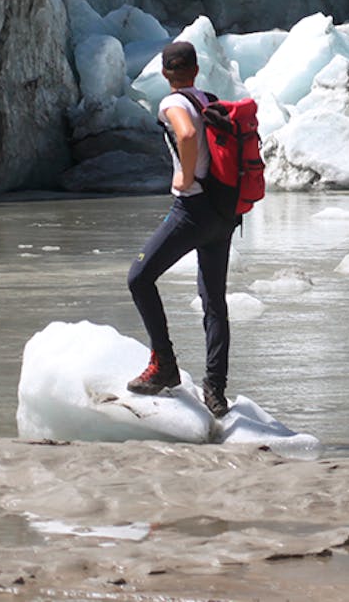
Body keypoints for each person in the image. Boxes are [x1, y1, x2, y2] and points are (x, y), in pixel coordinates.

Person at [125, 41, 238, 417]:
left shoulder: (172, 104)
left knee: (139, 278)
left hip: (191, 209)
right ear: (195, 69)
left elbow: (187, 135)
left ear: (164, 72)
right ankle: (216, 391)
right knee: (214, 303)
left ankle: (165, 365)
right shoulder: (207, 97)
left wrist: (185, 177)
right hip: (223, 213)